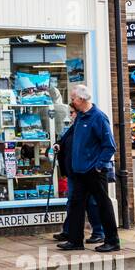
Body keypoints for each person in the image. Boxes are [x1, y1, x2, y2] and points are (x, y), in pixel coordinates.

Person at [53, 84, 120, 252]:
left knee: (103, 205)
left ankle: (112, 241)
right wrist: (59, 144)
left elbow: (109, 146)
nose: (72, 101)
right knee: (76, 205)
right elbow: (70, 135)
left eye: (74, 98)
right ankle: (75, 241)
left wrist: (98, 166)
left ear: (82, 99)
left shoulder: (98, 117)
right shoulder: (81, 117)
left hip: (93, 172)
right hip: (78, 171)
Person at [52, 110, 106, 245]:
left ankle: (99, 232)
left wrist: (98, 166)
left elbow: (106, 146)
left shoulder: (93, 121)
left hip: (87, 171)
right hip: (74, 172)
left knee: (91, 203)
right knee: (73, 202)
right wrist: (58, 145)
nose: (71, 115)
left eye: (72, 112)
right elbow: (64, 141)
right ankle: (69, 231)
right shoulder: (74, 127)